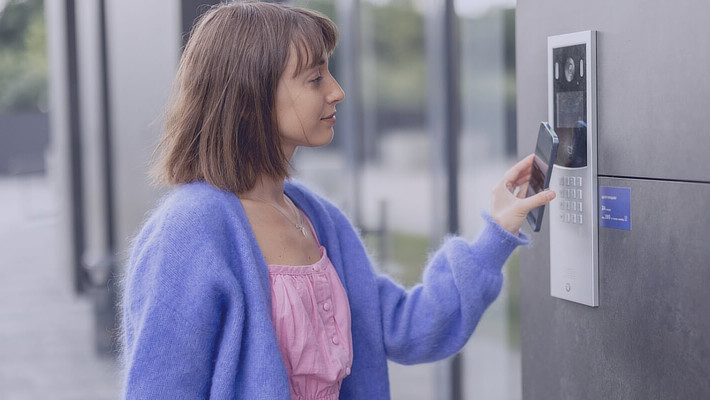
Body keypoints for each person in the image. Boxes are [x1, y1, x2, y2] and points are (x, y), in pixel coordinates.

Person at [119, 1, 555, 399]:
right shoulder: (189, 230)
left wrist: (496, 232)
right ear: (250, 99)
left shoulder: (315, 216)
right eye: (314, 78)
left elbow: (408, 328)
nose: (336, 91)